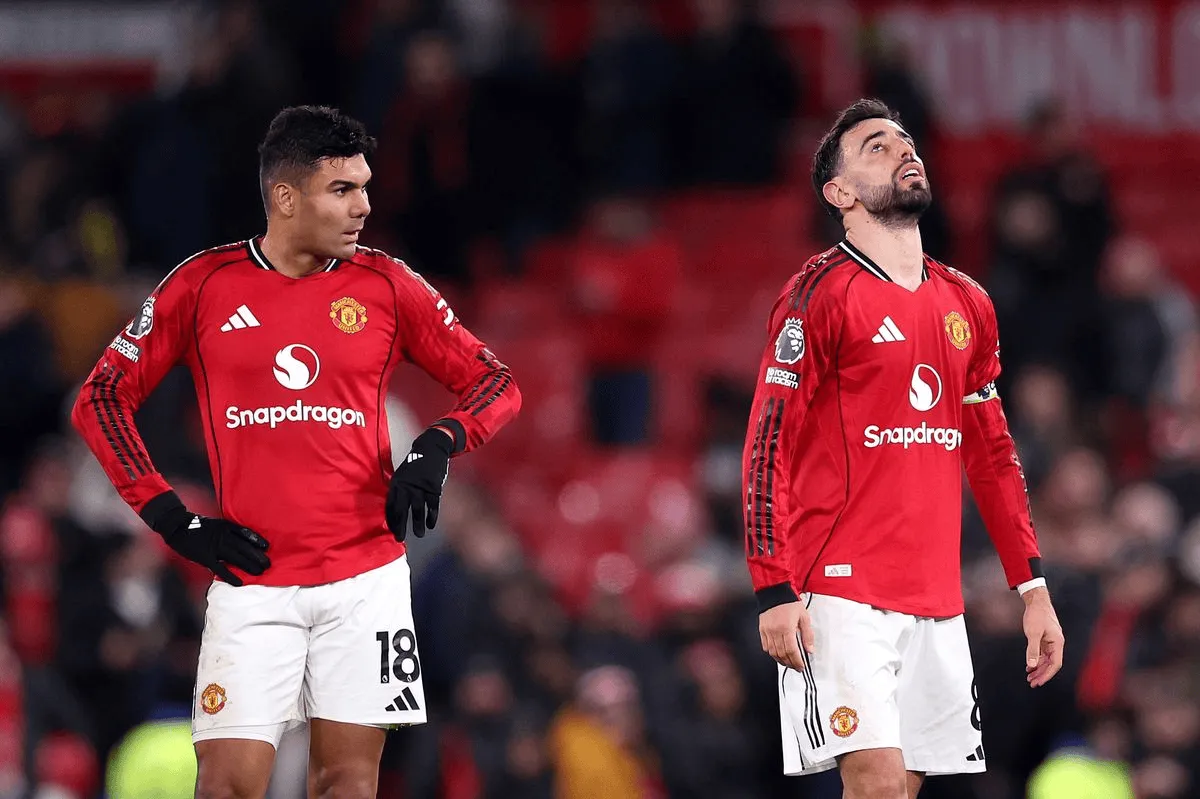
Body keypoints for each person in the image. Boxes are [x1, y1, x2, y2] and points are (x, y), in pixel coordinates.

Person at [70, 105, 521, 799]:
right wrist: (171, 518)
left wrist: (438, 442)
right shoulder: (202, 284)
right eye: (342, 189)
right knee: (225, 785)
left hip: (367, 583)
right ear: (285, 196)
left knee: (347, 782)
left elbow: (495, 383)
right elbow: (100, 398)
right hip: (252, 582)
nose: (363, 207)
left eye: (365, 187)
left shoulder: (388, 284)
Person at [741, 98, 1064, 799]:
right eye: (877, 147)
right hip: (837, 590)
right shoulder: (817, 294)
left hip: (937, 598)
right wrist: (773, 587)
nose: (904, 151)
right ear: (840, 193)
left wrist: (1032, 589)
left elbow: (993, 456)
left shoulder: (968, 302)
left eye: (906, 141)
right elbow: (766, 444)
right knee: (879, 788)